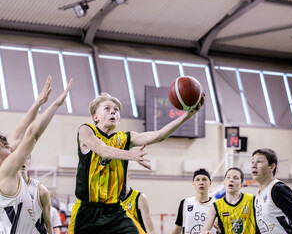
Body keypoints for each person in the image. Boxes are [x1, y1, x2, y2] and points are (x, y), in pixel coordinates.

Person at [69, 91, 205, 234]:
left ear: (119, 119)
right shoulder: (86, 130)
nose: (113, 112)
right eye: (107, 109)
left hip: (115, 212)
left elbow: (158, 136)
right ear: (95, 117)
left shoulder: (126, 138)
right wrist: (132, 155)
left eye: (116, 110)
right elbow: (102, 150)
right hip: (86, 212)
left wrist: (187, 115)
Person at [0, 76, 72, 234]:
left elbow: (19, 135)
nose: (12, 148)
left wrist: (38, 103)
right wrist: (55, 104)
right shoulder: (4, 172)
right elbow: (32, 134)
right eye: (6, 147)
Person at [251, 148, 292, 234]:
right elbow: (261, 228)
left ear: (272, 167)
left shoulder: (277, 189)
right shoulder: (258, 197)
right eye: (252, 162)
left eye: (259, 161)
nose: (253, 165)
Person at [202, 167, 257, 234]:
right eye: (228, 177)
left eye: (235, 178)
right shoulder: (216, 206)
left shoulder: (252, 200)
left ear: (241, 185)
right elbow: (204, 231)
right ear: (224, 183)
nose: (231, 180)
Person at [172, 168, 216, 234]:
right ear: (193, 183)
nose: (201, 183)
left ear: (210, 182)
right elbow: (178, 228)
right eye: (197, 180)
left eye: (204, 179)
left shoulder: (217, 204)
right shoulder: (185, 203)